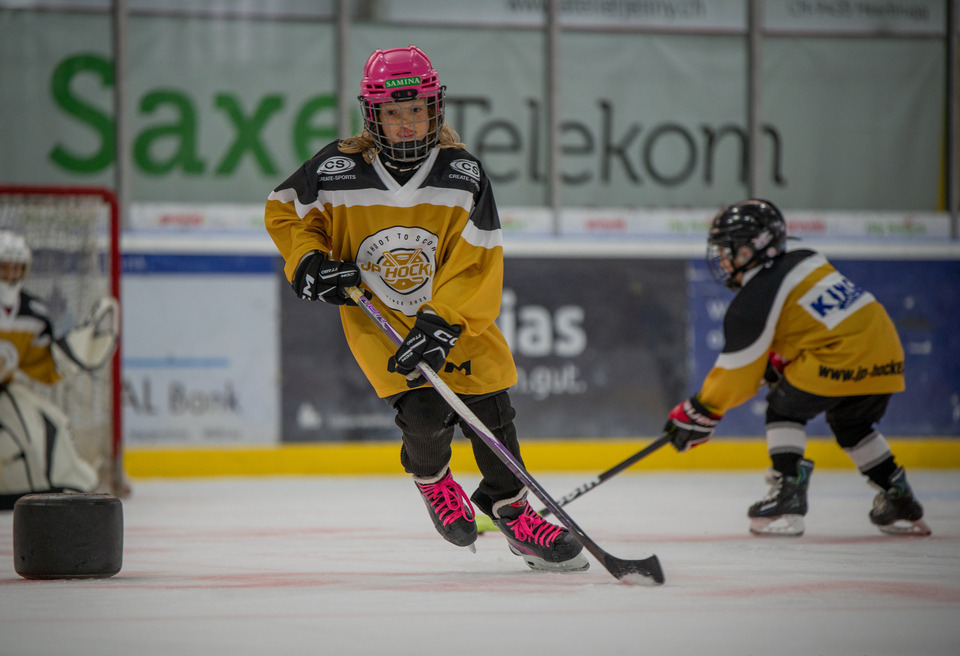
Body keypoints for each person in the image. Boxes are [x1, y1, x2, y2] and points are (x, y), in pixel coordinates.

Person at [264, 44, 588, 572]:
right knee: (423, 416)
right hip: (381, 321)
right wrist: (309, 262)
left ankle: (513, 511)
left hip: (456, 321)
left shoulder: (463, 174)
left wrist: (443, 322)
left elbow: (477, 260)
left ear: (435, 108)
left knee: (492, 413)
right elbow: (285, 213)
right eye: (394, 113)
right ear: (374, 117)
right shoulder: (337, 168)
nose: (408, 124)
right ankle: (434, 481)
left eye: (416, 110)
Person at [663, 199, 929, 537]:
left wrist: (700, 410)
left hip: (838, 356)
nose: (723, 258)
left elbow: (738, 375)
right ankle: (899, 497)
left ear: (752, 248)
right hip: (886, 351)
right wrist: (777, 362)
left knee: (783, 408)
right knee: (853, 424)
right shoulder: (804, 254)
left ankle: (788, 491)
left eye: (729, 249)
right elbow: (816, 320)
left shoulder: (755, 297)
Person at [0, 229, 117, 506]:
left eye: (16, 268)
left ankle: (63, 486)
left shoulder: (33, 312)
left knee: (50, 421)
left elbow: (42, 368)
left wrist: (75, 354)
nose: (9, 274)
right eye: (1, 266)